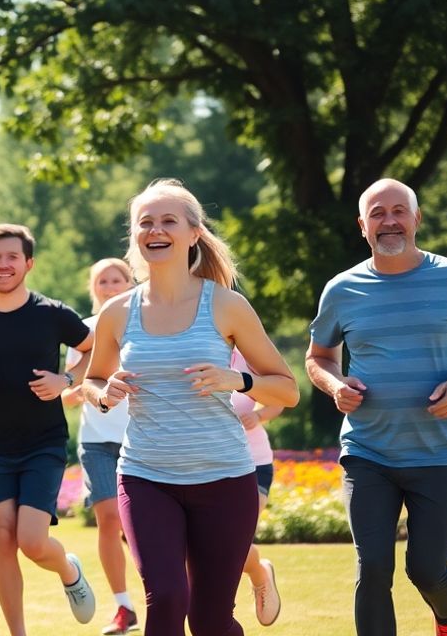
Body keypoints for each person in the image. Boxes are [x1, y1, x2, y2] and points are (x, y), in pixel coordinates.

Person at [83, 179, 298, 636]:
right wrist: (103, 393)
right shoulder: (117, 312)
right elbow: (92, 379)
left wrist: (237, 379)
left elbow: (286, 389)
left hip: (224, 477)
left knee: (211, 620)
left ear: (194, 233)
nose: (155, 230)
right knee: (167, 598)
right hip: (146, 476)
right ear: (135, 236)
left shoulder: (226, 305)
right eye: (146, 223)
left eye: (168, 221)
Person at [305, 178, 447, 636]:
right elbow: (318, 357)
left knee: (427, 569)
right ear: (362, 226)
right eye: (377, 213)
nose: (389, 221)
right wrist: (333, 385)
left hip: (441, 455)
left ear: (416, 218)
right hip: (368, 453)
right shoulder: (342, 289)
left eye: (398, 211)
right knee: (372, 570)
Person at [0, 223, 97, 636]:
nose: (3, 265)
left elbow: (94, 346)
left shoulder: (53, 314)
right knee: (3, 536)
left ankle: (68, 569)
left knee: (32, 540)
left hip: (43, 442)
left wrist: (67, 380)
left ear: (29, 263)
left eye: (12, 257)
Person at [60, 258, 136, 635]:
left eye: (117, 279)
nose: (110, 286)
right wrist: (81, 392)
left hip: (142, 438)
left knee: (142, 526)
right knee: (109, 518)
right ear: (95, 289)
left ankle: (168, 596)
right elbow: (70, 391)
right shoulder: (85, 332)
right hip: (97, 441)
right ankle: (124, 607)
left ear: (130, 282)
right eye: (103, 281)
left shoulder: (145, 324)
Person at [228, 350, 284, 628]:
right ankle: (259, 572)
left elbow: (280, 397)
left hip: (253, 463)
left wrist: (259, 415)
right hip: (204, 467)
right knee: (208, 545)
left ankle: (255, 581)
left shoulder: (246, 355)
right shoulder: (188, 350)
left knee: (231, 541)